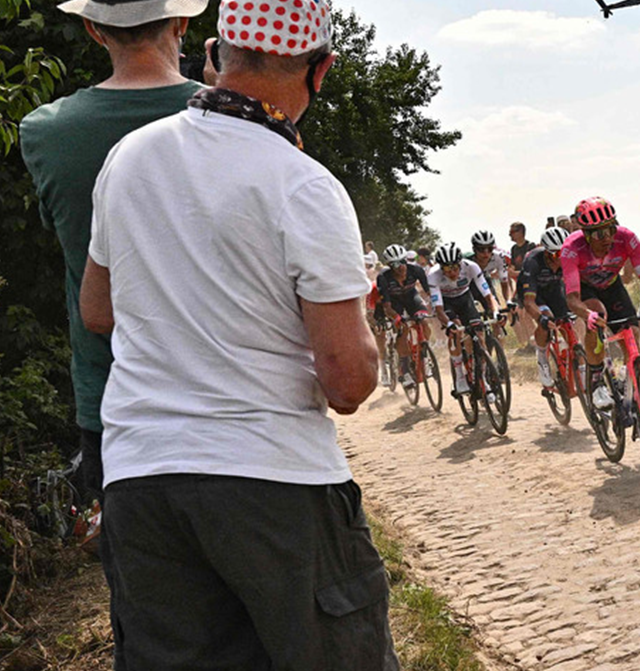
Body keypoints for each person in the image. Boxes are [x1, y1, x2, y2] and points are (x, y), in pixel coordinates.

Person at [78, 0, 398, 664]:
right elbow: (347, 380)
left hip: (141, 480)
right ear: (321, 69)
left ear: (218, 53)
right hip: (272, 479)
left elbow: (98, 312)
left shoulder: (129, 158)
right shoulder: (304, 186)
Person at [20, 0, 209, 660]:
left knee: (152, 619)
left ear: (94, 29)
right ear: (182, 24)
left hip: (113, 403)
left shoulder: (46, 131)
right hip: (232, 396)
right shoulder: (233, 117)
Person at [560, 197, 640, 410]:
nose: (607, 238)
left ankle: (628, 378)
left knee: (632, 335)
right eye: (600, 233)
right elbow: (572, 299)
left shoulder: (627, 238)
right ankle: (597, 381)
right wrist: (587, 315)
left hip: (612, 286)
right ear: (587, 235)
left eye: (611, 229)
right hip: (585, 290)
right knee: (597, 314)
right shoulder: (572, 248)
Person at [429, 242, 498, 401]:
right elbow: (438, 309)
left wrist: (495, 311)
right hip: (446, 303)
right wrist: (450, 324)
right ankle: (460, 377)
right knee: (455, 333)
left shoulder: (471, 267)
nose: (452, 272)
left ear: (460, 263)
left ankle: (483, 380)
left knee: (479, 336)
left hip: (465, 299)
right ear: (441, 268)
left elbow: (488, 295)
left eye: (455, 267)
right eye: (447, 269)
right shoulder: (433, 276)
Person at [519, 227, 573, 396]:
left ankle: (577, 367)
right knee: (546, 319)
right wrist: (541, 319)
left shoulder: (567, 260)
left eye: (563, 254)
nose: (560, 259)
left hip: (554, 289)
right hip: (534, 294)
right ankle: (542, 359)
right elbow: (529, 303)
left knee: (569, 325)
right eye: (556, 255)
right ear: (547, 253)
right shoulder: (533, 261)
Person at [374, 244, 435, 389]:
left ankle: (425, 357)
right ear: (389, 265)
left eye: (403, 261)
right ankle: (405, 370)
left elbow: (429, 292)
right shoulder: (383, 277)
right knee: (402, 329)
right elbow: (387, 306)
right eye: (395, 264)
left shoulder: (416, 270)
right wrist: (396, 318)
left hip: (411, 297)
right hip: (394, 303)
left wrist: (435, 306)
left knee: (424, 322)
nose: (401, 266)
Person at [508, 221, 538, 352]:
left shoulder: (530, 246)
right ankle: (530, 343)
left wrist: (515, 273)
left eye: (512, 232)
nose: (510, 235)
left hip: (531, 285)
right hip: (521, 285)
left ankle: (537, 342)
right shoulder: (514, 249)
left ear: (520, 232)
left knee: (527, 314)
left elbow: (532, 269)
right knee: (520, 314)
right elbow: (513, 268)